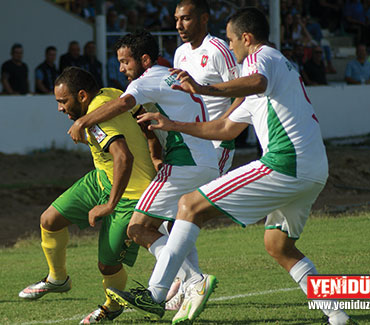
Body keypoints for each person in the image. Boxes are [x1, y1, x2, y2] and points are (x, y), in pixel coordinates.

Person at [106, 8, 355, 325]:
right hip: (314, 168)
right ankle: (338, 317)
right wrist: (172, 124)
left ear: (247, 39)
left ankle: (156, 294)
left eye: (232, 39)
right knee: (278, 245)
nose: (231, 46)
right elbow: (223, 129)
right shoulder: (269, 81)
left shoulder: (261, 57)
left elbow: (255, 79)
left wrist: (205, 89)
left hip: (285, 162)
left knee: (189, 204)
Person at [67, 30, 221, 323]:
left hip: (185, 162)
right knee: (173, 228)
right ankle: (180, 289)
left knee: (137, 228)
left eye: (125, 62)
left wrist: (84, 120)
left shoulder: (147, 79)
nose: (121, 69)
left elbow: (124, 103)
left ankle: (190, 283)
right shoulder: (172, 75)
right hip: (203, 161)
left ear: (144, 59)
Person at [18, 67, 157, 325]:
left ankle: (112, 307)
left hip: (131, 195)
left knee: (107, 266)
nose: (60, 108)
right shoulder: (110, 94)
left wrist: (109, 205)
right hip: (102, 179)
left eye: (63, 101)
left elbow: (123, 157)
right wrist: (153, 149)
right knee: (49, 220)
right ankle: (57, 279)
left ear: (82, 95)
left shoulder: (97, 118)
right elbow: (142, 119)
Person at [173, 0, 241, 179]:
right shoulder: (180, 53)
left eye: (186, 19)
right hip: (191, 141)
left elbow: (241, 94)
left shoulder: (218, 49)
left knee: (205, 195)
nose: (179, 26)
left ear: (204, 19)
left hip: (217, 143)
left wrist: (223, 126)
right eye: (176, 19)